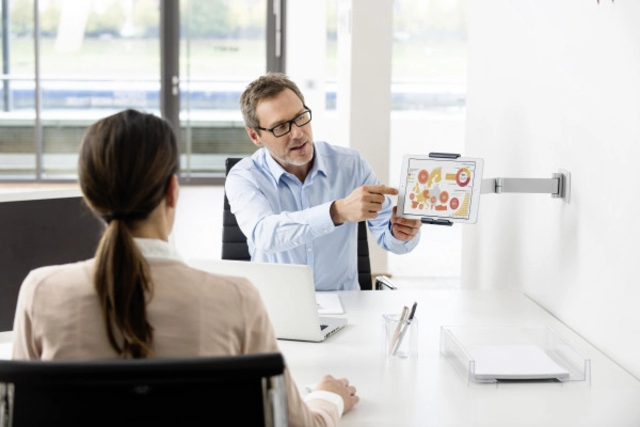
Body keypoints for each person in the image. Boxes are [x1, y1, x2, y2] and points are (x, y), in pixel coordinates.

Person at [11, 109, 358, 426]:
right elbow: (292, 425)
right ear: (173, 192)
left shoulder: (40, 293)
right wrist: (328, 397)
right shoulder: (236, 298)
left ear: (89, 196)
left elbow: (16, 415)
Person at [226, 72, 422, 291]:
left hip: (345, 304)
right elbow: (265, 235)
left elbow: (390, 238)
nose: (298, 133)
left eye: (300, 117)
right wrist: (335, 212)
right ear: (255, 136)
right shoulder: (244, 177)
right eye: (281, 127)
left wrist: (401, 233)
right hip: (277, 306)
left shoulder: (351, 165)